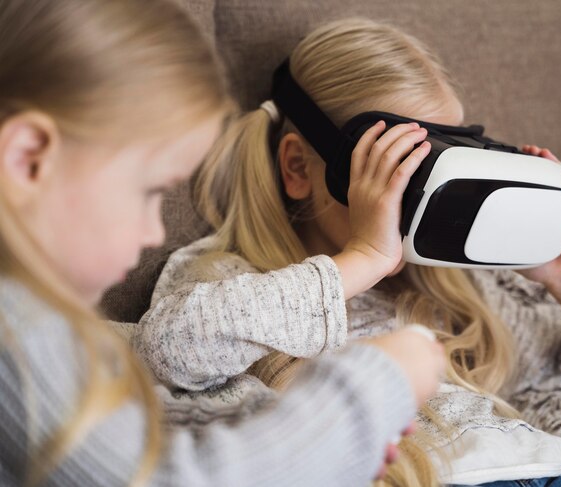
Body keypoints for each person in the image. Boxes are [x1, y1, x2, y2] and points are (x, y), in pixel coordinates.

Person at [133, 18, 561, 487]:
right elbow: (167, 350)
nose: (429, 192)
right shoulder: (234, 278)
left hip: (560, 468)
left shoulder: (443, 287)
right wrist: (361, 259)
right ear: (299, 168)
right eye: (404, 167)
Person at [0, 3, 447, 485]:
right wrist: (371, 392)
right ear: (29, 160)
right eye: (149, 193)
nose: (155, 233)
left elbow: (126, 431)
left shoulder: (41, 324)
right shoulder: (15, 334)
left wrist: (328, 451)